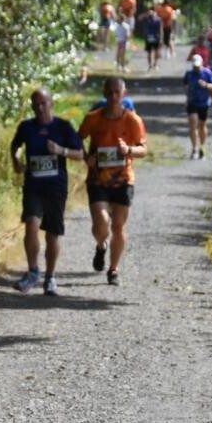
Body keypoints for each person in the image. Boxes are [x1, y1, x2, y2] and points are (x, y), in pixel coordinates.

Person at [10, 88, 84, 295]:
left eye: (43, 103)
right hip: (33, 185)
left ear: (52, 103)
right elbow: (16, 146)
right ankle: (33, 271)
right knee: (31, 225)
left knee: (52, 234)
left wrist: (61, 150)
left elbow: (80, 154)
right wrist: (16, 161)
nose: (40, 108)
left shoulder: (63, 127)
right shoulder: (26, 127)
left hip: (55, 187)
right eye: (36, 104)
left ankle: (50, 276)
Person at [78, 77, 147, 286]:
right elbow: (77, 139)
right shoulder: (93, 118)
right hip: (97, 179)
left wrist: (129, 150)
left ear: (124, 94)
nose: (114, 96)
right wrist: (86, 157)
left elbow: (143, 149)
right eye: (110, 92)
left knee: (118, 226)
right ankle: (101, 245)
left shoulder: (133, 120)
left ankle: (113, 269)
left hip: (123, 179)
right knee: (101, 223)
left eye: (118, 92)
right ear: (104, 93)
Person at [183, 53, 212, 159]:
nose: (196, 68)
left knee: (202, 125)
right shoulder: (189, 74)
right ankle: (194, 149)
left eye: (198, 66)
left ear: (202, 64)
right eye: (194, 66)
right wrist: (187, 98)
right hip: (192, 102)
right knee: (193, 124)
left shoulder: (207, 73)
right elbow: (186, 86)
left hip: (203, 103)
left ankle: (202, 147)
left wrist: (206, 85)